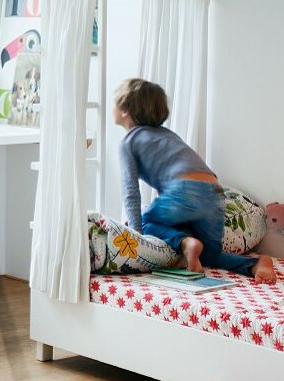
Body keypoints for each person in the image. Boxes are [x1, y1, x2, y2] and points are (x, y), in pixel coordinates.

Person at [114, 78, 276, 284]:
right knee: (208, 255)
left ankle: (185, 243)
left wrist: (136, 236)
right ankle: (255, 264)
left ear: (125, 109)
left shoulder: (128, 142)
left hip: (184, 190)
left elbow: (131, 192)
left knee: (145, 219)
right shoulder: (168, 135)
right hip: (214, 192)